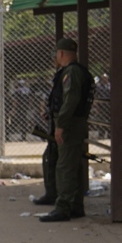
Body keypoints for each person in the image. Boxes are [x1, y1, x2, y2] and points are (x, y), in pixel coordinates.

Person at [40, 38, 94, 222]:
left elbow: (71, 100)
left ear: (61, 53)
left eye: (56, 54)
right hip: (72, 123)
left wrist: (60, 125)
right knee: (72, 164)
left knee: (65, 166)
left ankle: (63, 207)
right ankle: (75, 205)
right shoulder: (73, 71)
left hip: (70, 125)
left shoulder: (71, 72)